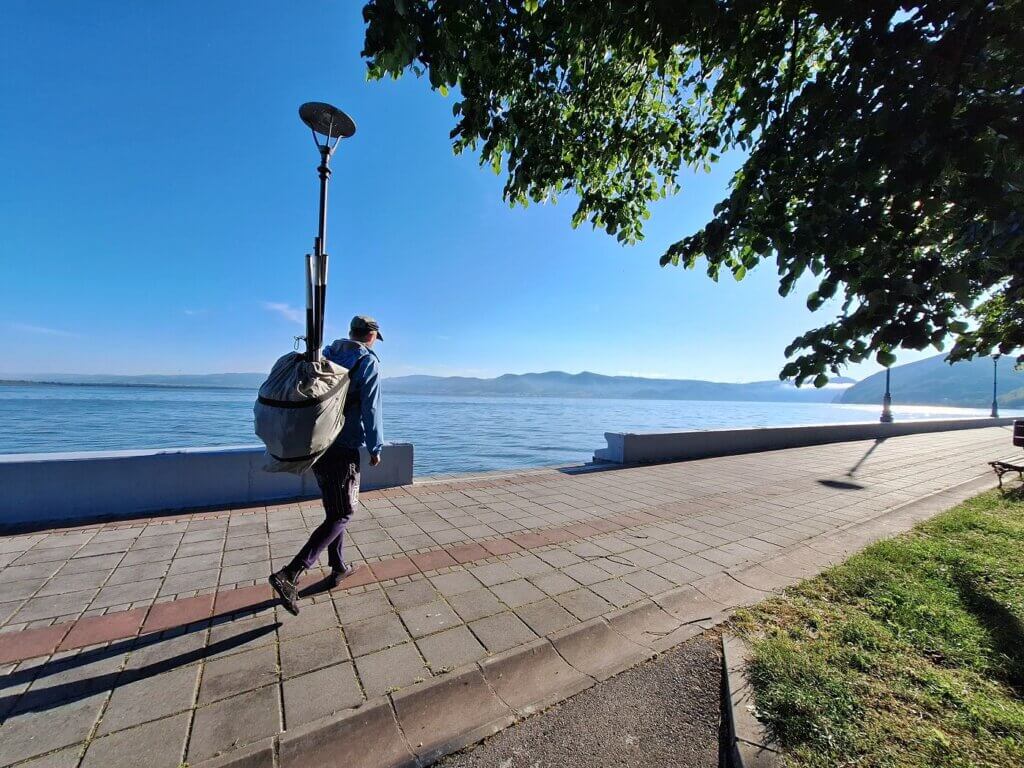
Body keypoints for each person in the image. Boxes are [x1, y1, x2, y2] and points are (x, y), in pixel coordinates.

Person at [269, 315, 384, 615]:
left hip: (316, 444)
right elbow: (371, 408)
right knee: (343, 512)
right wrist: (376, 446)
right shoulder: (367, 363)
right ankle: (290, 574)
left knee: (334, 508)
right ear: (371, 336)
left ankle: (338, 566)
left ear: (350, 332)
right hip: (344, 445)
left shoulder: (327, 354)